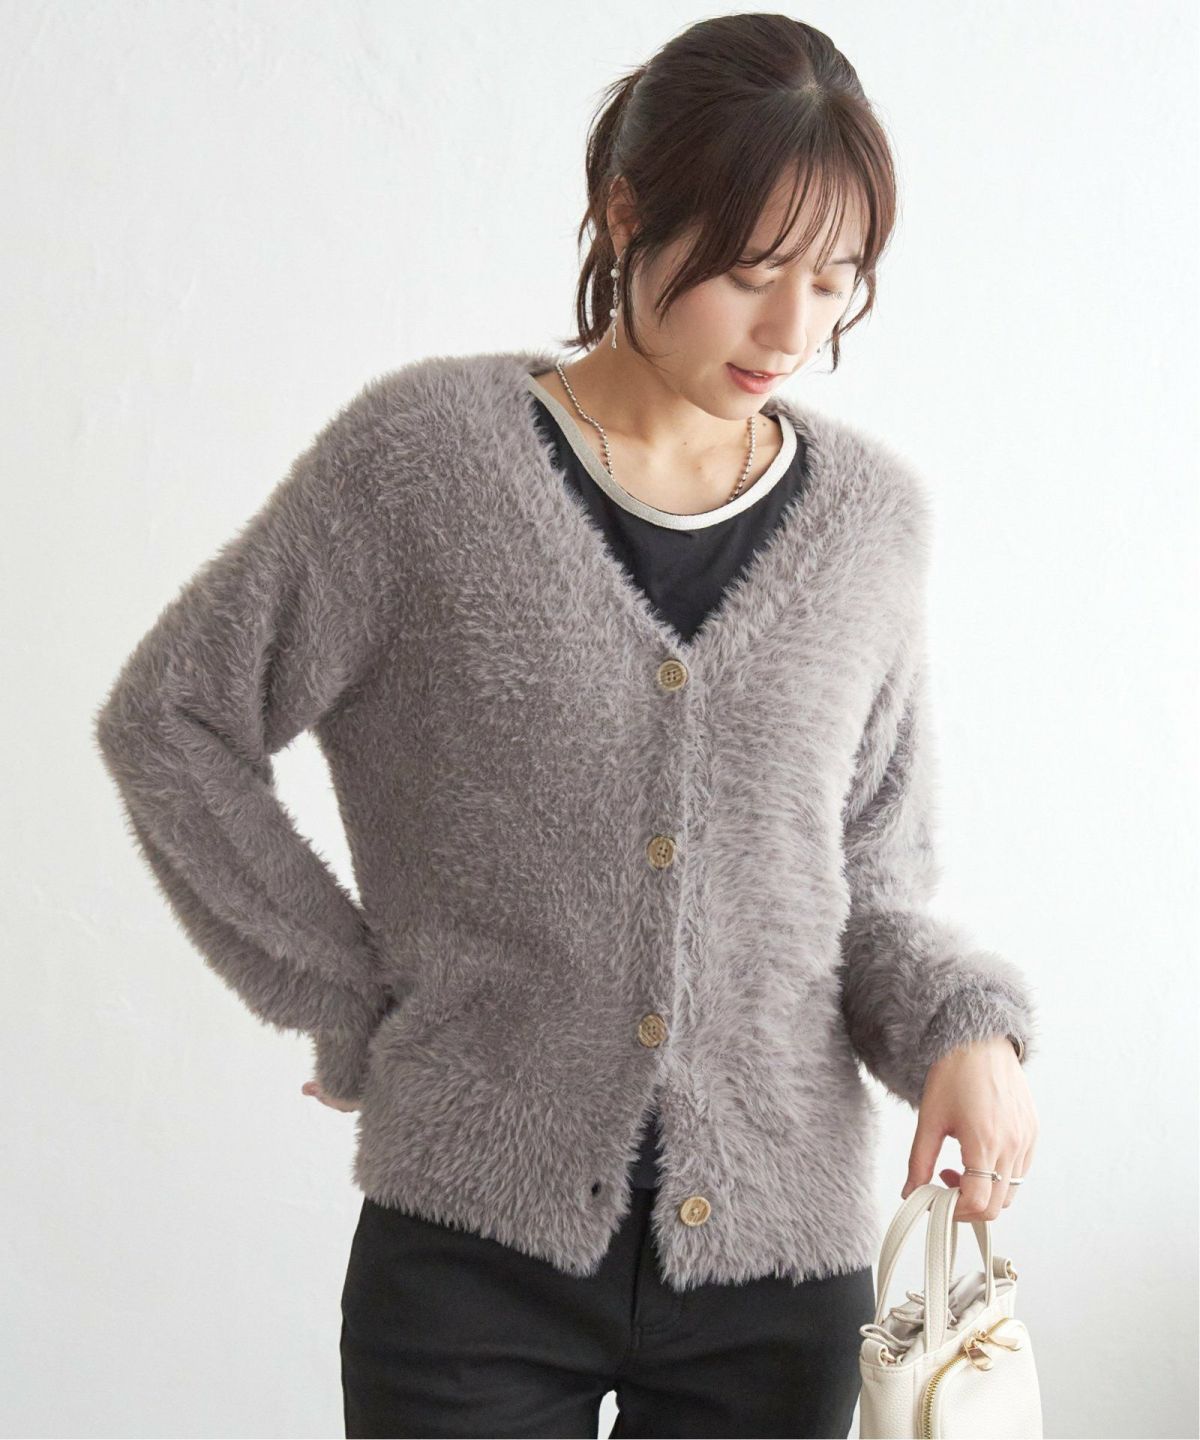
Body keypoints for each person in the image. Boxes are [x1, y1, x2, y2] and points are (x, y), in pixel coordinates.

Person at [94, 13, 1039, 1439]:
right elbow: (173, 719)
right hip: (469, 1258)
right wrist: (346, 998)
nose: (794, 330)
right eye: (751, 271)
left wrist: (968, 1033)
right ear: (627, 211)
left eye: (837, 277)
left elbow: (872, 894)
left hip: (777, 1277)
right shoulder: (420, 466)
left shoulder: (871, 525)